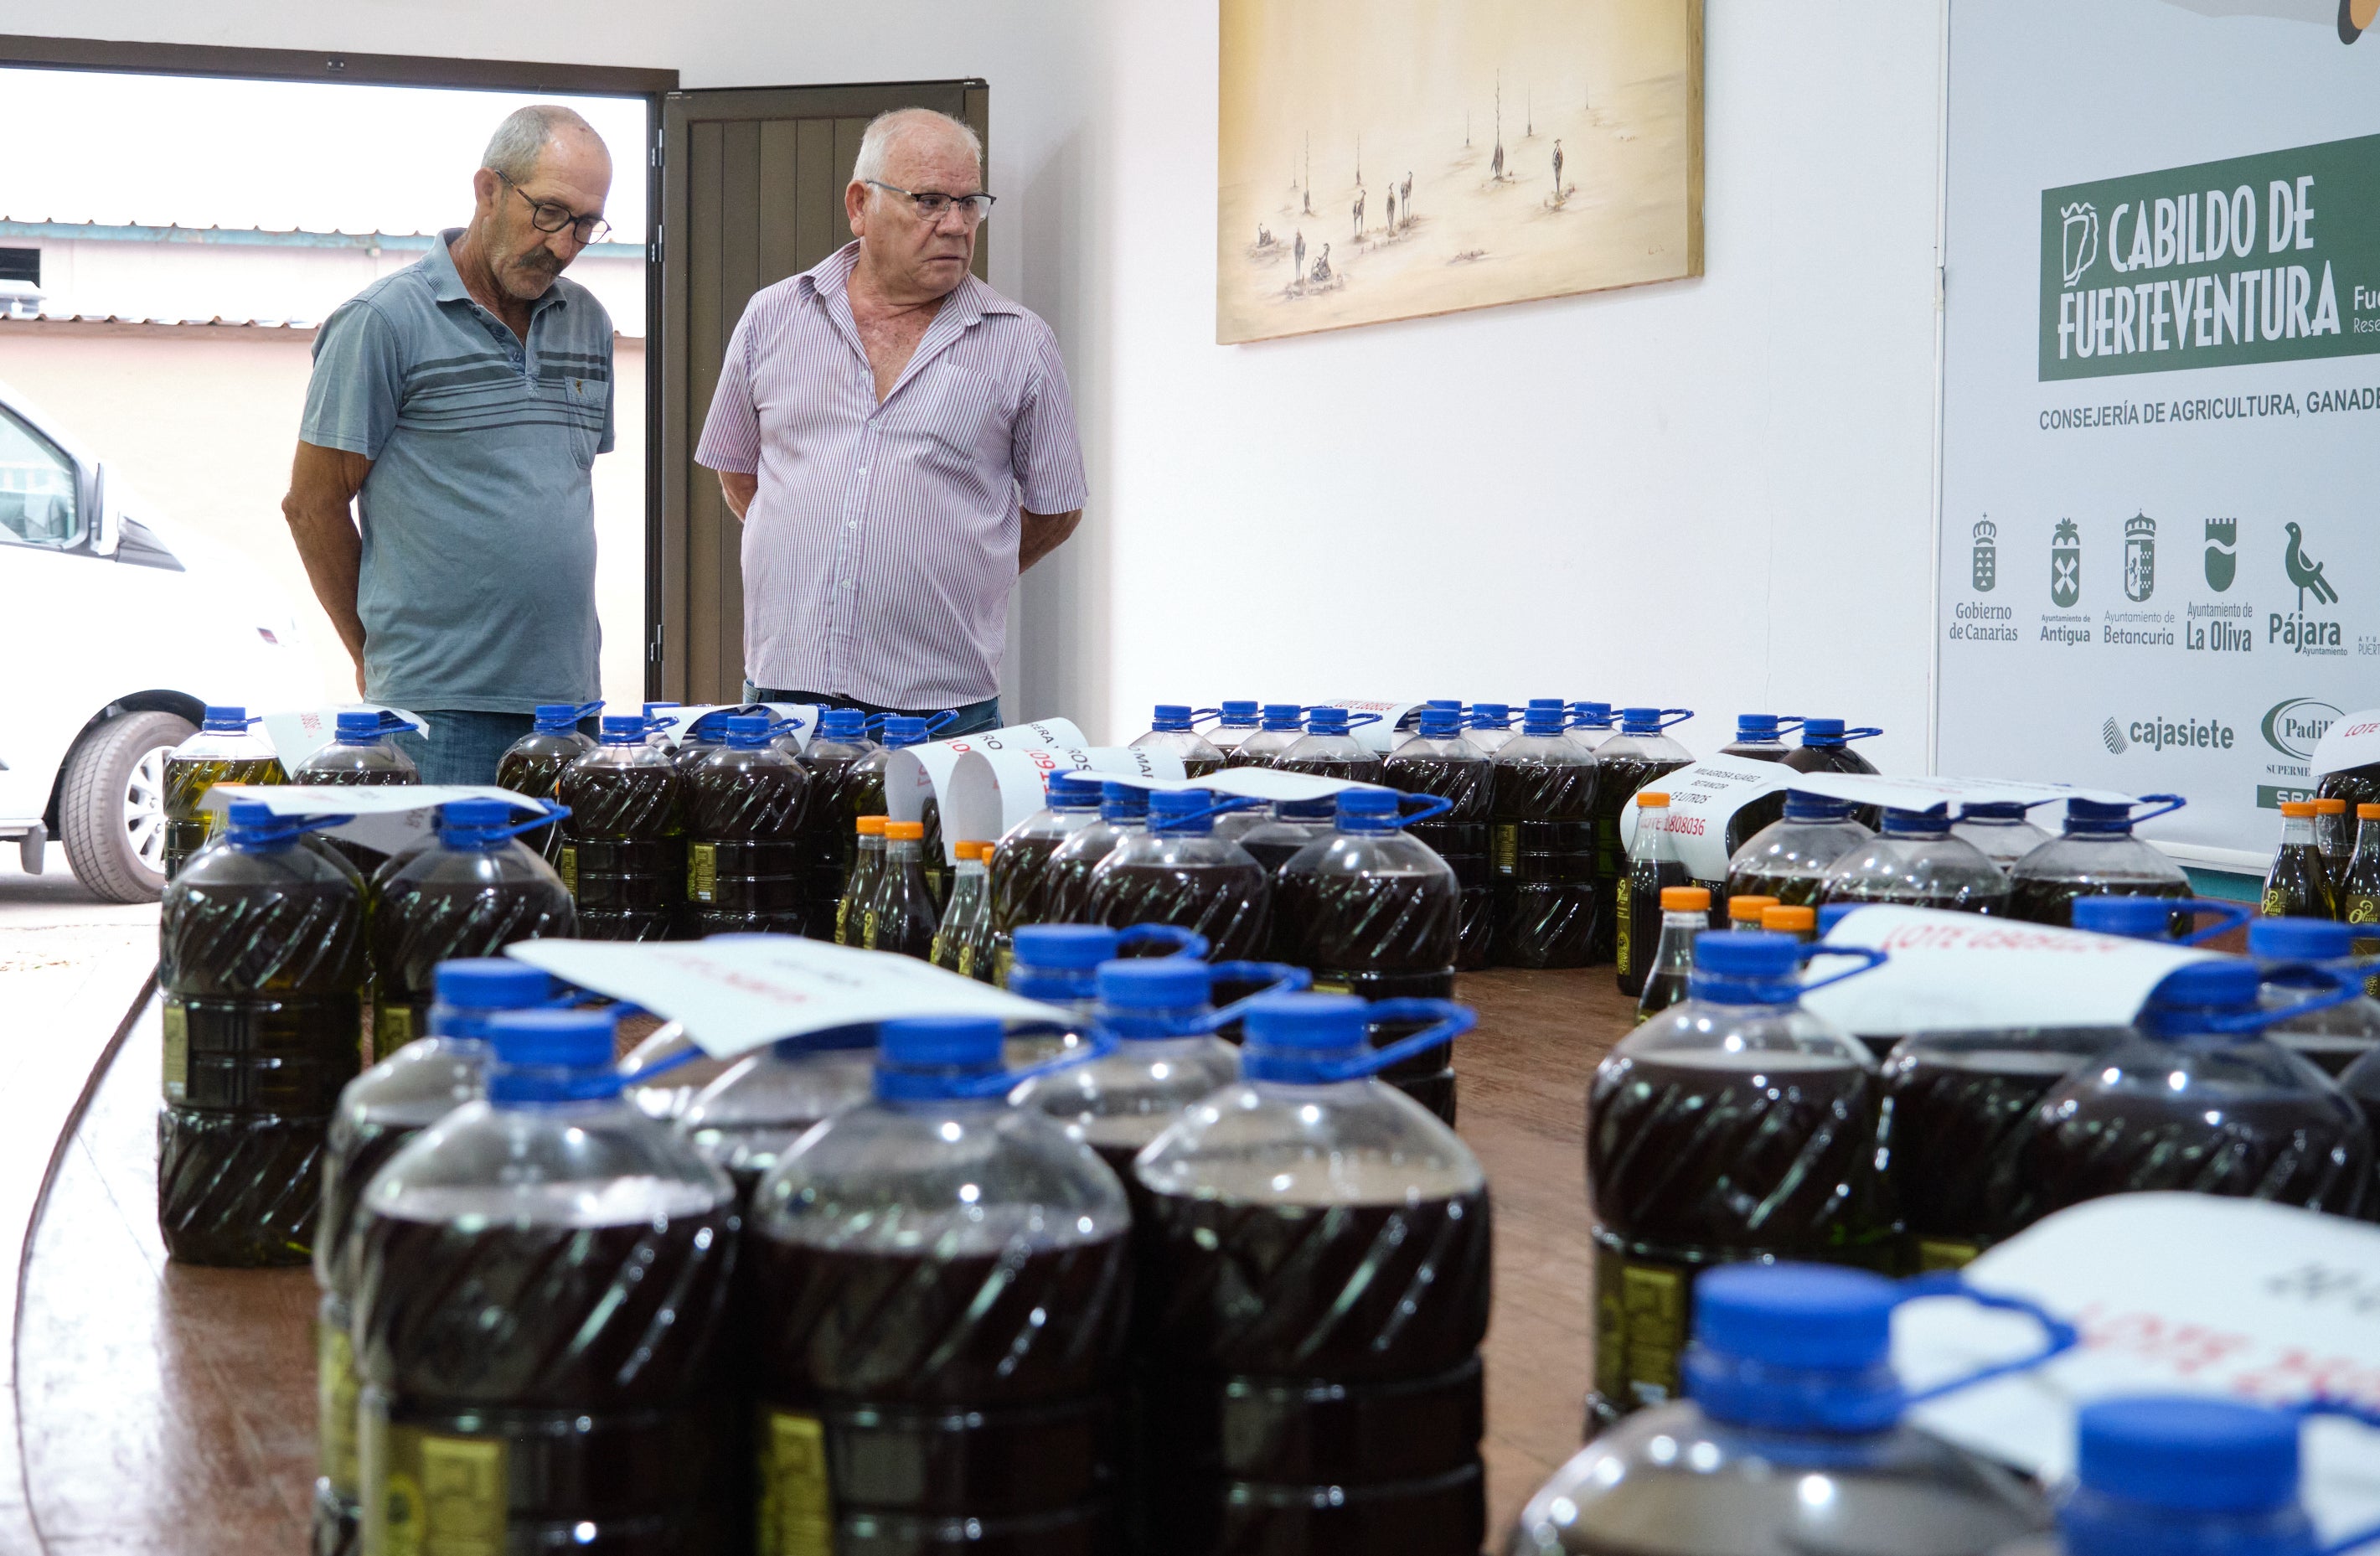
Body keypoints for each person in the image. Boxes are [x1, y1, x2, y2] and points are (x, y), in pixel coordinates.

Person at [695, 108, 1084, 738]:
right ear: (860, 204)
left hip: (943, 708)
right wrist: (819, 540)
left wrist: (960, 569)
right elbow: (739, 471)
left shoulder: (1020, 342)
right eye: (930, 201)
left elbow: (1058, 509)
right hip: (785, 698)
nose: (955, 225)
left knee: (936, 845)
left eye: (969, 203)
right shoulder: (772, 317)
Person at [282, 106, 615, 783]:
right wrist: (372, 655)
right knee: (440, 889)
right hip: (438, 713)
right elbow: (311, 507)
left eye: (585, 224)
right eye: (550, 213)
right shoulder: (381, 323)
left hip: (571, 708)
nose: (564, 244)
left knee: (556, 893)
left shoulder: (587, 322)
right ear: (488, 189)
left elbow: (551, 495)